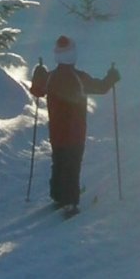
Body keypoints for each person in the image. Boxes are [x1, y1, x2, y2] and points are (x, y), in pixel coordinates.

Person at [29, 34, 120, 211]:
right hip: (76, 131)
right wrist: (112, 77)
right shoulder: (79, 77)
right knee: (72, 163)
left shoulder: (50, 77)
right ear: (72, 54)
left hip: (56, 130)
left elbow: (36, 91)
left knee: (59, 160)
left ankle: (57, 193)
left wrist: (38, 74)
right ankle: (70, 201)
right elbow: (101, 88)